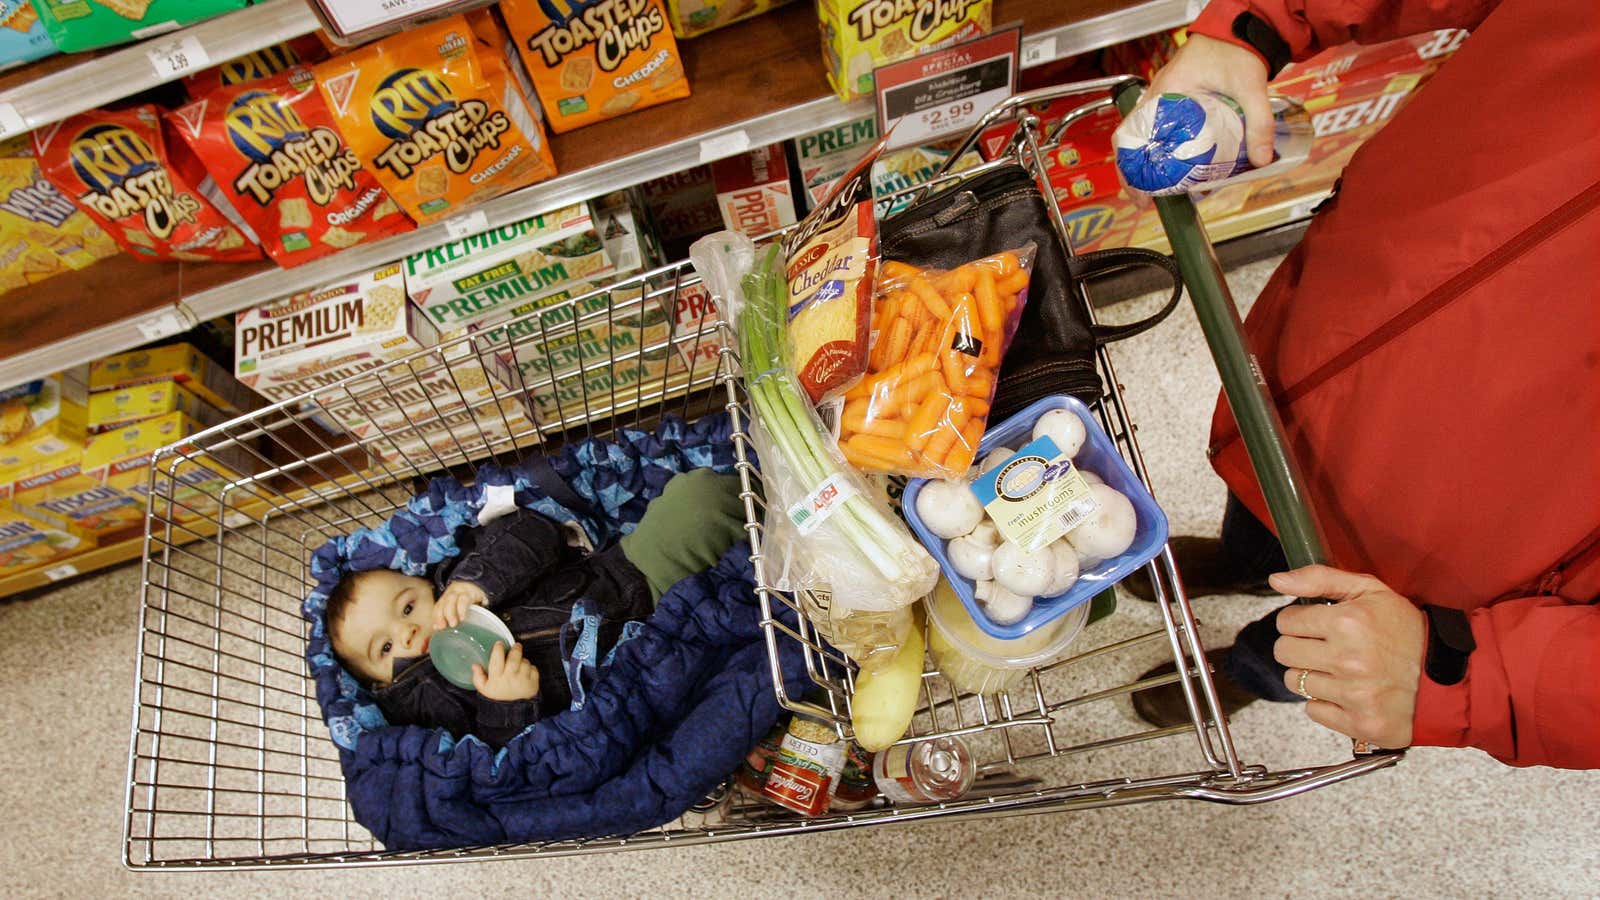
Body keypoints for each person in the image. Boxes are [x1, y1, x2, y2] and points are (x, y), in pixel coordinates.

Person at [1126, 0, 1599, 767]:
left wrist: (1474, 679)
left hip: (1491, 529)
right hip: (1360, 309)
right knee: (1269, 476)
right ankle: (1239, 562)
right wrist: (1262, 24)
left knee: (1332, 638)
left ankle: (1249, 672)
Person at [326, 467, 749, 748]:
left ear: (425, 583)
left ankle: (781, 515)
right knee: (727, 698)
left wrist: (477, 581)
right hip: (629, 683)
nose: (406, 635)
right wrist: (507, 705)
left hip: (630, 582)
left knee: (698, 502)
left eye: (407, 608)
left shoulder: (463, 572)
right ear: (378, 684)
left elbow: (533, 532)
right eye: (384, 650)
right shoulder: (425, 709)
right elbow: (497, 756)